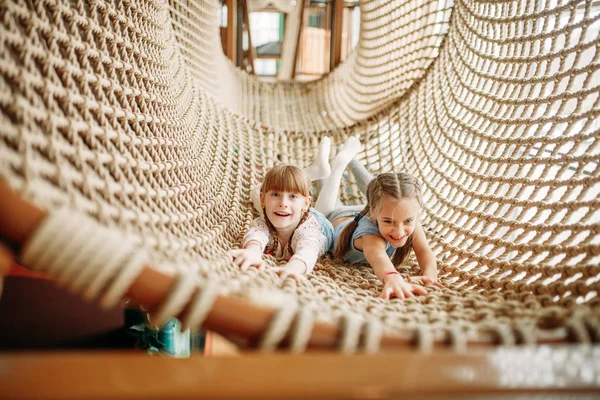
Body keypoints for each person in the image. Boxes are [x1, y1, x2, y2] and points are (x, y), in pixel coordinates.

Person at [229, 136, 362, 282]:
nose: (283, 203)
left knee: (327, 212)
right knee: (256, 191)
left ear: (307, 204)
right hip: (291, 213)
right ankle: (316, 172)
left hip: (320, 224)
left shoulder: (309, 231)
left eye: (292, 196)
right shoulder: (262, 222)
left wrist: (293, 268)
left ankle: (338, 165)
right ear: (263, 200)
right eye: (276, 194)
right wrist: (252, 252)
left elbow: (308, 250)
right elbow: (256, 235)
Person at [323, 158, 442, 300]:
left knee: (381, 193)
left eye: (408, 221)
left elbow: (424, 250)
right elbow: (378, 257)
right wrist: (392, 277)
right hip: (339, 218)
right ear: (372, 213)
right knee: (328, 192)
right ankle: (334, 166)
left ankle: (352, 159)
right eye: (389, 222)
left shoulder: (407, 218)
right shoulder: (370, 235)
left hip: (382, 211)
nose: (399, 231)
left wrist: (430, 275)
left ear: (418, 212)